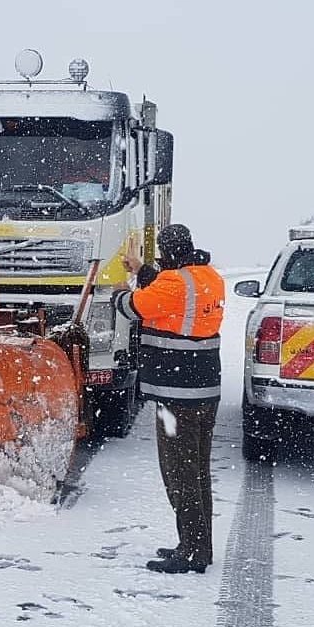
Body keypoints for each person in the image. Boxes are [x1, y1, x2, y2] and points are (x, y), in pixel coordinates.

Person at [112, 224, 225, 574]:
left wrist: (120, 289)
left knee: (179, 473)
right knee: (198, 472)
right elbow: (171, 294)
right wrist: (143, 270)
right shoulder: (208, 277)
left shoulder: (173, 284)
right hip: (204, 393)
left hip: (176, 398)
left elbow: (131, 307)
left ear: (169, 253)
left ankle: (191, 552)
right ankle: (197, 544)